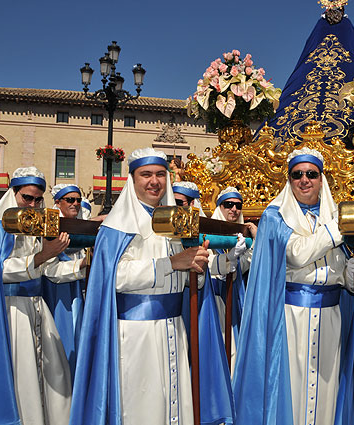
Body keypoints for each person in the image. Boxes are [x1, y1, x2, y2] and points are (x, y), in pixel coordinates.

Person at [70, 148, 233, 425]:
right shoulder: (116, 227)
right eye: (146, 175)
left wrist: (197, 268)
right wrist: (172, 263)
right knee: (141, 406)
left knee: (174, 402)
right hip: (134, 335)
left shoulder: (175, 223)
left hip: (173, 328)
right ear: (132, 180)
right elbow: (115, 277)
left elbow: (184, 276)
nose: (154, 181)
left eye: (160, 174)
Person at [233, 147, 354, 425]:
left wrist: (351, 273)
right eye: (297, 174)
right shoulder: (275, 215)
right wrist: (337, 230)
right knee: (294, 387)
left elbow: (338, 269)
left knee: (328, 389)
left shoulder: (333, 213)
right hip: (292, 316)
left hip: (331, 315)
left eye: (311, 174)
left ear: (321, 179)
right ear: (289, 179)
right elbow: (297, 254)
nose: (304, 180)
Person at [0, 167, 87, 425]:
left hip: (37, 307)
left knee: (56, 374)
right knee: (23, 378)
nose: (32, 204)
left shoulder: (37, 226)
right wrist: (42, 256)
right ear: (14, 194)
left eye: (37, 199)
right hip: (8, 312)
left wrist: (82, 266)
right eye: (27, 198)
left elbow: (50, 271)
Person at [207, 187, 257, 375]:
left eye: (238, 205)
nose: (233, 209)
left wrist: (255, 241)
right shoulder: (207, 231)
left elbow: (245, 265)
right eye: (228, 205)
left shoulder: (240, 233)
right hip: (213, 296)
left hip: (234, 296)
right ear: (219, 206)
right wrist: (227, 262)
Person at [42, 184, 87, 379]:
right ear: (58, 202)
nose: (75, 203)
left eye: (78, 200)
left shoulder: (84, 227)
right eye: (70, 199)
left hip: (82, 292)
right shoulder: (49, 228)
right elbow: (50, 269)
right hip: (58, 295)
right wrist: (83, 265)